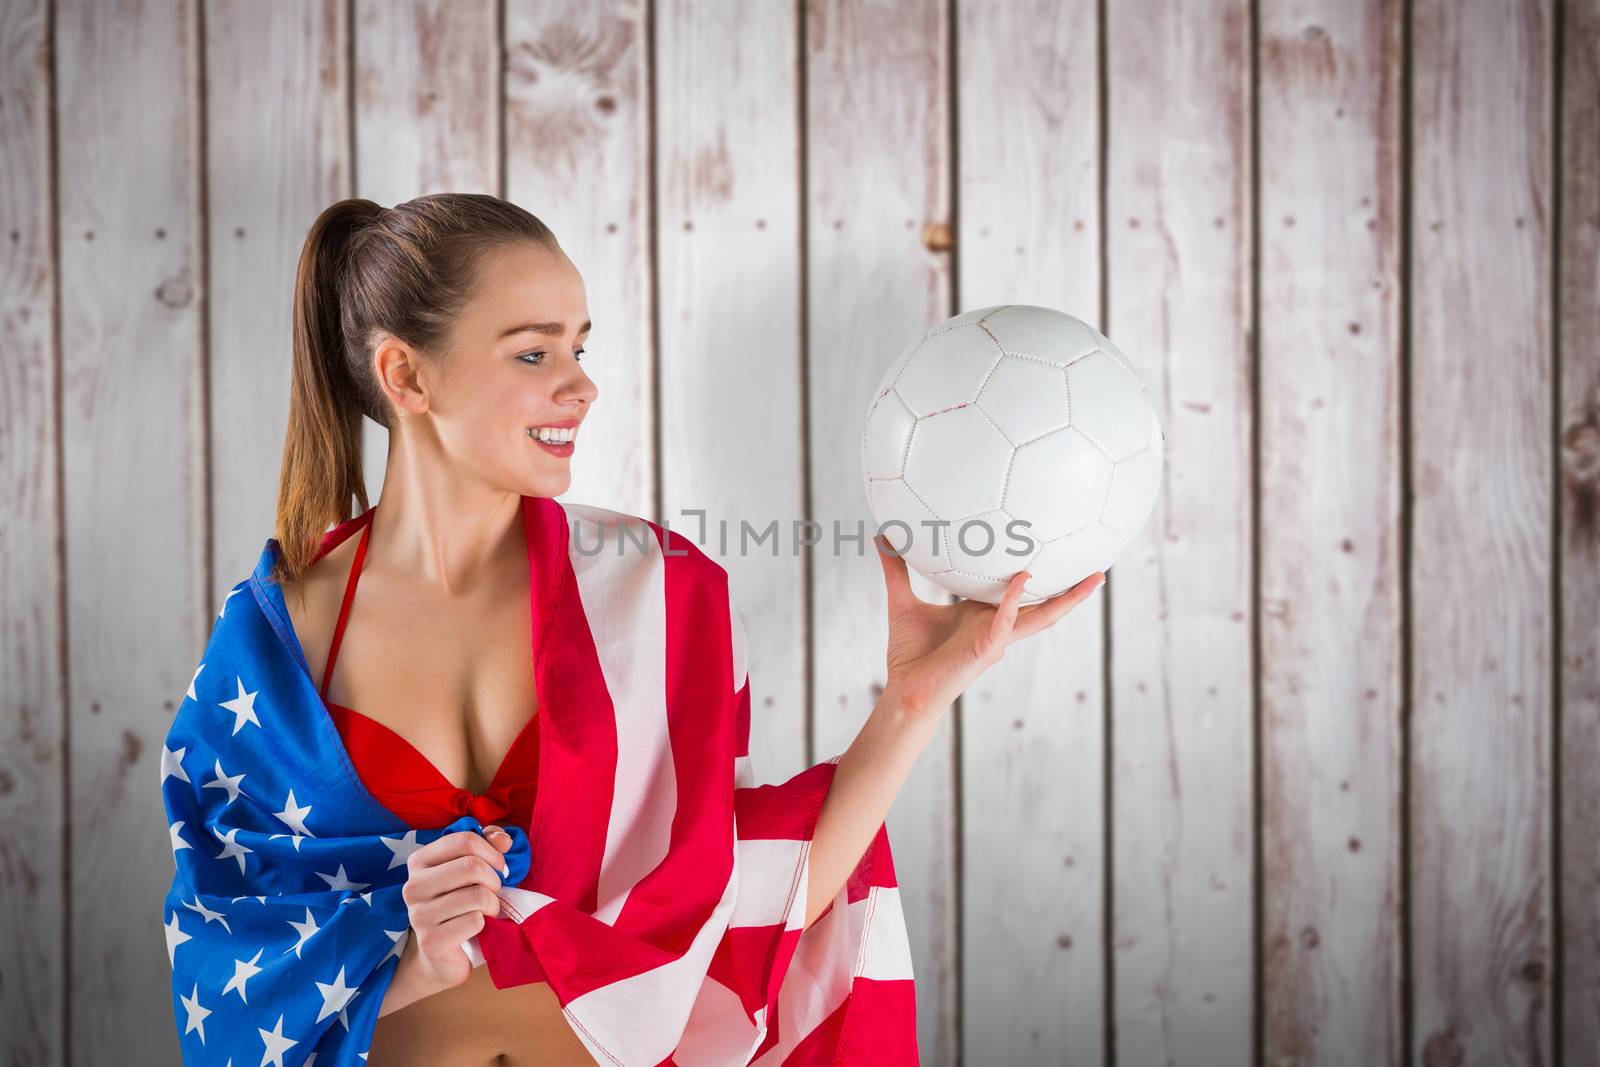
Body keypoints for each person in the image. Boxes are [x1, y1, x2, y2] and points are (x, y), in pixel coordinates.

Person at [159, 193, 1104, 1066]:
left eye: (581, 348)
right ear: (406, 373)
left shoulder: (660, 592)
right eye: (535, 354)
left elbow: (739, 913)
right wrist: (410, 958)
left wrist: (913, 696)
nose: (580, 386)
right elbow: (225, 960)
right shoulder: (273, 644)